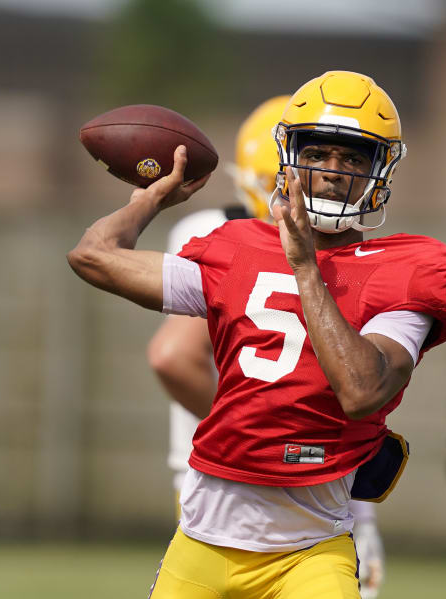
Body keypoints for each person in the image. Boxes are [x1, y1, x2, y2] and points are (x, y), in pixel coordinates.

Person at [67, 70, 446, 599]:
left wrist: (305, 265)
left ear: (380, 171)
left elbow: (361, 392)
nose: (332, 172)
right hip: (203, 542)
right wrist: (155, 198)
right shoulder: (235, 246)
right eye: (319, 154)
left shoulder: (406, 268)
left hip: (310, 550)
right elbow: (93, 257)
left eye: (352, 158)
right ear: (290, 159)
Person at [147, 94, 386, 598]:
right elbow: (173, 357)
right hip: (239, 484)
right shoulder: (225, 235)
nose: (327, 174)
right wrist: (264, 427)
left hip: (287, 485)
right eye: (316, 158)